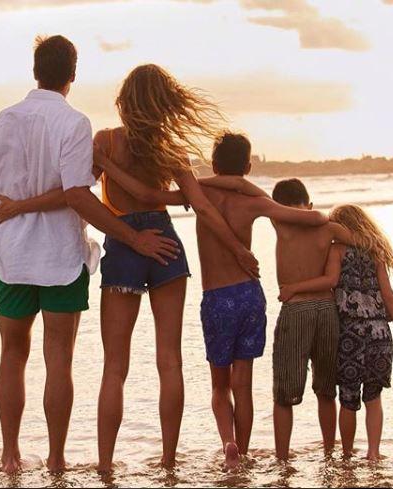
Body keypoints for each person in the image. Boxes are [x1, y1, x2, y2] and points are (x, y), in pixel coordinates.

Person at [0, 64, 259, 472]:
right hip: (166, 246)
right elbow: (202, 206)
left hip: (124, 246)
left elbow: (74, 193)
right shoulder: (171, 149)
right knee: (169, 362)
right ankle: (168, 461)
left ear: (124, 101)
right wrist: (238, 249)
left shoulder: (105, 141)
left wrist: (21, 206)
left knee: (115, 367)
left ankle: (105, 464)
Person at [0, 36, 179, 474]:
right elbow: (77, 195)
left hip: (12, 255)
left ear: (35, 71)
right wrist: (133, 237)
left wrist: (13, 216)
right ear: (73, 74)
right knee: (58, 359)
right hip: (60, 257)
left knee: (12, 354)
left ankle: (10, 456)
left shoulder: (2, 120)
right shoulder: (73, 123)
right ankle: (56, 457)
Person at [94, 132, 329, 468]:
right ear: (248, 166)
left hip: (217, 300)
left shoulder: (199, 192)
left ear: (214, 164)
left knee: (220, 387)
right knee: (243, 385)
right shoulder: (253, 202)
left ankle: (228, 441)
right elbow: (314, 218)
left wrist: (104, 164)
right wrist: (246, 186)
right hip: (249, 295)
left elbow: (147, 194)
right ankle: (242, 454)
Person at [278, 204, 393, 461]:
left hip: (350, 333)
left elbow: (331, 281)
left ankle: (347, 454)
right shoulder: (376, 252)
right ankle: (373, 453)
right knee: (374, 397)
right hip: (379, 333)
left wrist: (294, 287)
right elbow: (388, 294)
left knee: (348, 398)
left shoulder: (337, 250)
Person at [270, 178, 353, 461]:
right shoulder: (329, 229)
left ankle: (282, 459)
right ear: (310, 204)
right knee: (326, 389)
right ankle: (329, 452)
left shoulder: (282, 223)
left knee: (284, 393)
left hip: (297, 309)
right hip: (327, 310)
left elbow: (252, 196)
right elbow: (361, 242)